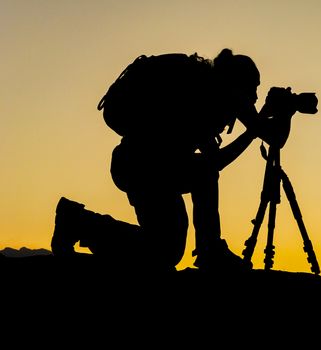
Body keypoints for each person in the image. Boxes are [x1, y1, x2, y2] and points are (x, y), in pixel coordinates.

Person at [51, 48, 271, 271]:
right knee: (165, 248)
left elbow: (272, 139)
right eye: (253, 88)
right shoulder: (199, 94)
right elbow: (214, 163)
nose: (254, 97)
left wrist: (278, 115)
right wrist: (254, 130)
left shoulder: (209, 91)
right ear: (235, 85)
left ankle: (80, 222)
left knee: (164, 249)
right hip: (142, 168)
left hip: (152, 168)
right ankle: (209, 250)